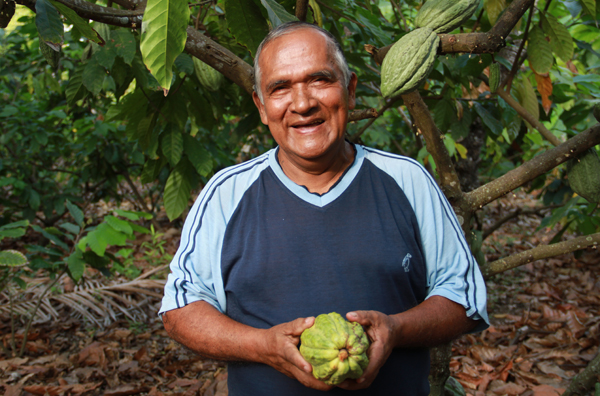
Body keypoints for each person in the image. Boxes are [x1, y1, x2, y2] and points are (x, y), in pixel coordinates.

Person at [160, 21, 489, 395]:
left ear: (349, 91)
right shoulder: (227, 194)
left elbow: (463, 298)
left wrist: (395, 330)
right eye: (280, 88)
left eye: (319, 80)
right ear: (262, 106)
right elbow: (181, 310)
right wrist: (263, 347)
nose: (302, 104)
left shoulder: (407, 180)